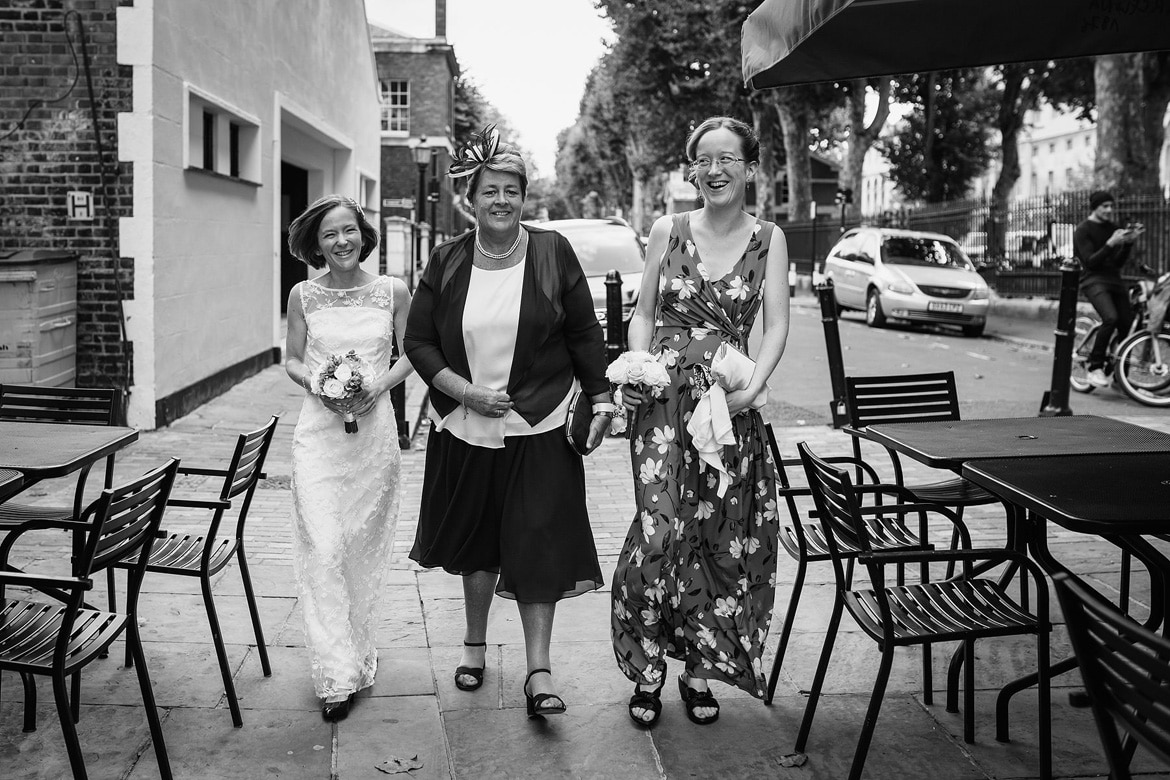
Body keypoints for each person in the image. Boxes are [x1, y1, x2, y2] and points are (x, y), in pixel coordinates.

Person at [404, 126, 613, 718]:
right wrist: (465, 393)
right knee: (478, 541)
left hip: (539, 425)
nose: (501, 200)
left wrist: (599, 400)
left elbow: (582, 333)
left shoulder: (552, 252)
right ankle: (473, 645)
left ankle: (538, 671)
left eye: (512, 191)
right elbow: (419, 342)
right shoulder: (445, 261)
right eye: (490, 191)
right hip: (465, 428)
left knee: (538, 542)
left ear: (525, 197)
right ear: (470, 200)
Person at [611, 116, 791, 727]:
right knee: (660, 532)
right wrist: (638, 370)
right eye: (704, 160)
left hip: (729, 408)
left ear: (750, 168)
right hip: (663, 407)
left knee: (717, 541)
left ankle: (695, 669)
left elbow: (778, 327)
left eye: (728, 159)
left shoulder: (770, 237)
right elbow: (642, 312)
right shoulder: (668, 228)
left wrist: (755, 389)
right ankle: (646, 666)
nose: (715, 170)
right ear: (692, 169)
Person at [284, 194, 414, 722]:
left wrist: (374, 386)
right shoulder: (303, 296)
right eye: (329, 235)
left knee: (358, 549)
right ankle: (335, 674)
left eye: (349, 231)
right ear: (317, 245)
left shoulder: (393, 291)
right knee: (324, 545)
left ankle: (358, 647)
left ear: (364, 234)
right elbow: (291, 358)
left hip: (372, 438)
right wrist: (318, 381)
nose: (341, 242)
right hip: (317, 437)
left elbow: (417, 354)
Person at [1074, 190, 1143, 387]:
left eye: (1111, 206)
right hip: (1092, 280)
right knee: (1110, 318)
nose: (1109, 210)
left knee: (1126, 325)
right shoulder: (1082, 230)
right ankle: (1094, 368)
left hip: (1114, 280)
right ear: (1095, 207)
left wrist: (1127, 244)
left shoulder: (1113, 228)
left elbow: (1117, 263)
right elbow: (1090, 262)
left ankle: (1119, 378)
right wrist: (1110, 244)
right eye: (1105, 206)